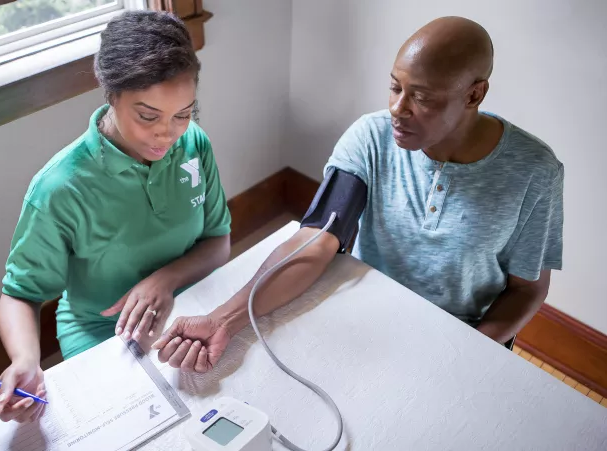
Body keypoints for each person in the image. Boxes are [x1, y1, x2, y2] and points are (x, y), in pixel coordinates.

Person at [153, 16, 564, 373]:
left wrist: (466, 354)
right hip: (368, 317)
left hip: (463, 337)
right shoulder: (372, 138)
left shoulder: (534, 171)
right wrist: (223, 320)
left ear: (474, 94)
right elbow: (313, 241)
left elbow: (527, 289)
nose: (398, 109)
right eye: (394, 87)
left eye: (421, 97)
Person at [0, 10, 232, 422]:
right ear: (110, 94)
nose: (168, 134)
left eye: (183, 113)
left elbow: (218, 241)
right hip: (105, 332)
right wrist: (27, 360)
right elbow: (21, 294)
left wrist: (164, 281)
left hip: (190, 307)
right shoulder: (60, 187)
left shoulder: (194, 144)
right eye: (148, 116)